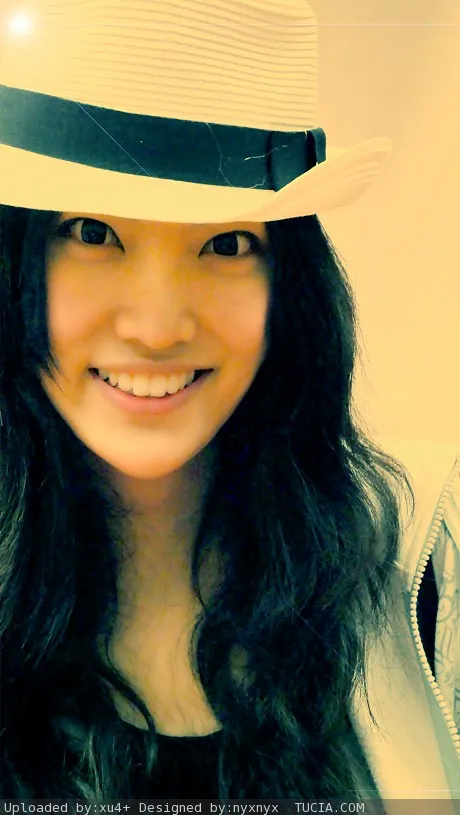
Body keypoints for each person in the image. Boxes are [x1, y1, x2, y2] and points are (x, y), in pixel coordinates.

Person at [0, 0, 418, 802]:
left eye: (226, 242)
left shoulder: (409, 598)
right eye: (92, 232)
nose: (158, 327)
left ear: (288, 288)